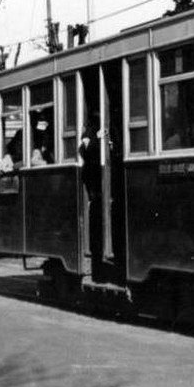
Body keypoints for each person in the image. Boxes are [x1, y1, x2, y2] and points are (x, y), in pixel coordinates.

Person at [78, 112, 103, 276]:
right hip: (92, 175)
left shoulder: (98, 130)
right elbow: (85, 149)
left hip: (97, 175)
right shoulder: (90, 132)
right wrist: (98, 140)